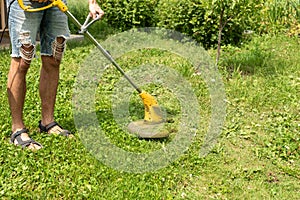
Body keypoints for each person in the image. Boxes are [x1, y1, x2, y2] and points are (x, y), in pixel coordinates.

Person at [6, 0, 104, 150]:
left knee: (53, 57)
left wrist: (92, 2)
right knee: (22, 60)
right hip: (24, 3)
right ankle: (17, 129)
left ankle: (48, 122)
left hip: (56, 3)